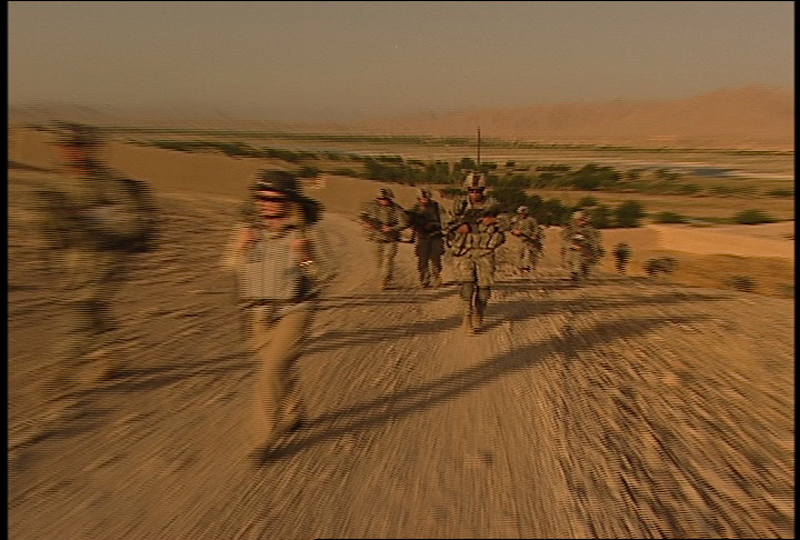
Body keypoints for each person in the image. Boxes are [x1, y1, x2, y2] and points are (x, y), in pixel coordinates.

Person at [222, 170, 336, 460]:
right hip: (258, 310)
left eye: (274, 198)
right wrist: (240, 248)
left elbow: (326, 272)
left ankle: (262, 438)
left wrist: (305, 257)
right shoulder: (247, 228)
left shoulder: (306, 232)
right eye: (261, 197)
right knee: (277, 367)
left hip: (295, 307)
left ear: (290, 200)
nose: (266, 203)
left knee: (270, 371)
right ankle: (294, 410)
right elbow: (229, 266)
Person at [38, 122, 159, 395]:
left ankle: (62, 369)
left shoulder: (111, 185)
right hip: (71, 258)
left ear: (91, 149)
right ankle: (111, 352)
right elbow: (34, 216)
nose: (70, 152)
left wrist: (88, 219)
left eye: (77, 146)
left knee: (80, 310)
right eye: (65, 146)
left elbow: (132, 222)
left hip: (106, 258)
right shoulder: (55, 181)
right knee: (91, 310)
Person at [444, 172, 506, 334]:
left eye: (478, 191)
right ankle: (467, 315)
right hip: (464, 251)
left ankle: (479, 310)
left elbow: (510, 223)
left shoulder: (493, 205)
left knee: (484, 288)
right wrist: (459, 227)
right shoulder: (459, 206)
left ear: (483, 191)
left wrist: (495, 220)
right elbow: (445, 224)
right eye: (472, 191)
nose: (475, 194)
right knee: (467, 284)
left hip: (485, 251)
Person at [358, 188, 409, 289]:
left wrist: (392, 228)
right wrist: (365, 223)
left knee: (388, 259)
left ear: (390, 199)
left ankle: (384, 279)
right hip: (375, 237)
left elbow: (404, 223)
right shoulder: (371, 206)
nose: (383, 200)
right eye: (381, 199)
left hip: (390, 239)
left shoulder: (397, 209)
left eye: (385, 199)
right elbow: (362, 215)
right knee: (379, 261)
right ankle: (385, 276)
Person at [407, 189, 445, 288]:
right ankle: (424, 279)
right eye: (422, 198)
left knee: (436, 258)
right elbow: (408, 221)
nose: (424, 200)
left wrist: (434, 225)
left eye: (425, 198)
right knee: (422, 260)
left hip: (436, 235)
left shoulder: (437, 207)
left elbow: (445, 220)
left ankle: (436, 277)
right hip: (422, 237)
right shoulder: (415, 208)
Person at [561, 210, 604, 281]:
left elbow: (594, 240)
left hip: (585, 248)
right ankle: (576, 272)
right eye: (580, 220)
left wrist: (588, 245)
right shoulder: (570, 228)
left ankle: (578, 273)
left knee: (582, 261)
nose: (582, 222)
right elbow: (565, 237)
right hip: (572, 247)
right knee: (570, 260)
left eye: (584, 220)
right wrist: (570, 244)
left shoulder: (590, 229)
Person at [509, 205, 544, 273]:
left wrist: (535, 235)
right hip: (520, 239)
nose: (522, 214)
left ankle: (529, 267)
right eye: (521, 212)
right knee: (520, 253)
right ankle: (519, 267)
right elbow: (512, 228)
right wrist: (514, 232)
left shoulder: (531, 220)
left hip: (530, 239)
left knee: (530, 253)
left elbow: (536, 229)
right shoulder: (516, 219)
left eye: (524, 212)